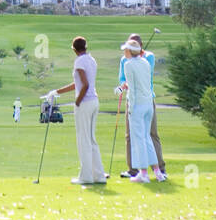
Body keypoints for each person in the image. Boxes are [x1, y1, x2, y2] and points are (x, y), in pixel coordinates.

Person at [49, 36, 106, 186]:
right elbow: (78, 83)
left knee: (84, 140)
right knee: (92, 139)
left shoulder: (79, 61)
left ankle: (86, 177)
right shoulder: (91, 60)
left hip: (85, 103)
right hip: (94, 101)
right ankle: (99, 175)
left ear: (74, 49)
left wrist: (77, 101)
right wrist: (57, 91)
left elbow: (84, 85)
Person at [116, 33, 166, 178]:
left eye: (126, 49)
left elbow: (131, 88)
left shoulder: (130, 63)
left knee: (140, 138)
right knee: (145, 138)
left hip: (137, 104)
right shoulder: (142, 62)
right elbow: (124, 81)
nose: (124, 52)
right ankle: (157, 173)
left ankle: (143, 173)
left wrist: (130, 109)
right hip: (147, 103)